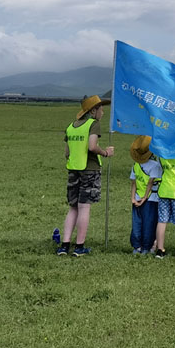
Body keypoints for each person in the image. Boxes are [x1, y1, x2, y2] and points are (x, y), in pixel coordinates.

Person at [59, 95, 113, 256]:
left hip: (73, 170)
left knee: (73, 208)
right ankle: (79, 246)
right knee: (84, 207)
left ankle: (65, 245)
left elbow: (67, 153)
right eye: (101, 109)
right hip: (90, 170)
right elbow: (92, 146)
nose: (103, 112)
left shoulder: (71, 126)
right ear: (93, 111)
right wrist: (105, 153)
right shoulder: (93, 124)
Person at [129, 135, 161, 255]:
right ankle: (147, 247)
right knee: (149, 223)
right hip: (151, 199)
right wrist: (144, 198)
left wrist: (133, 198)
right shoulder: (155, 165)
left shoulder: (136, 165)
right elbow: (150, 183)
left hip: (137, 198)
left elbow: (134, 182)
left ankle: (137, 246)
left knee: (137, 223)